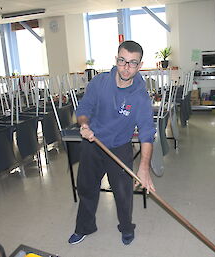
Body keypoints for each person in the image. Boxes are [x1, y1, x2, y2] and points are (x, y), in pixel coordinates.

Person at [68, 40, 156, 246]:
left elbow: (147, 133)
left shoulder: (141, 97)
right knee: (86, 188)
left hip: (119, 147)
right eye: (122, 60)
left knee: (123, 193)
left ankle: (126, 228)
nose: (126, 67)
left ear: (139, 65)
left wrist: (144, 168)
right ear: (116, 59)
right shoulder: (100, 83)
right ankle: (84, 227)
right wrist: (84, 125)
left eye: (132, 63)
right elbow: (83, 109)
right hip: (93, 143)